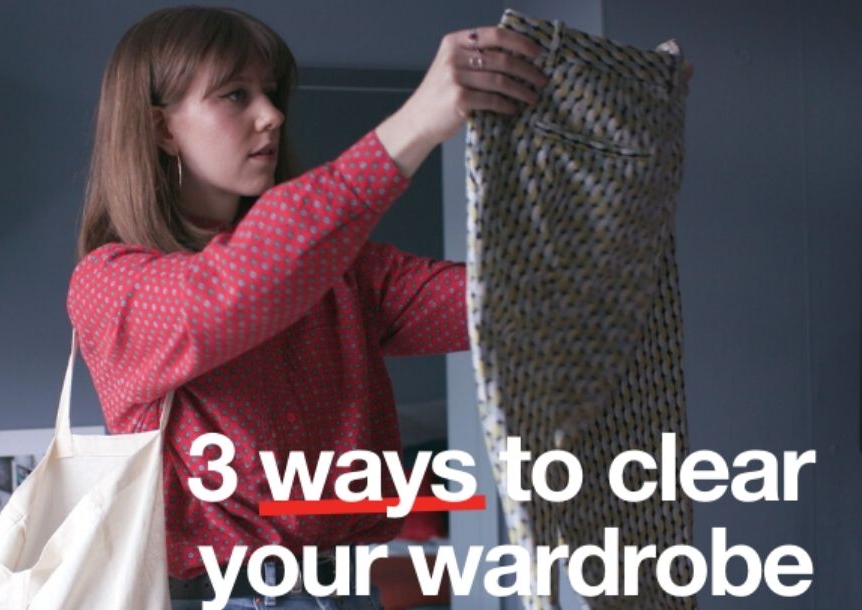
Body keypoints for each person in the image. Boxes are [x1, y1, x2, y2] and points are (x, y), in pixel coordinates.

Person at [67, 5, 684, 609]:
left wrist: (629, 140)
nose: (273, 115)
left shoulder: (341, 273)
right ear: (159, 127)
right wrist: (415, 123)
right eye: (234, 95)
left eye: (272, 91)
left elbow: (521, 302)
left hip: (347, 587)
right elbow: (231, 292)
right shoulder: (111, 285)